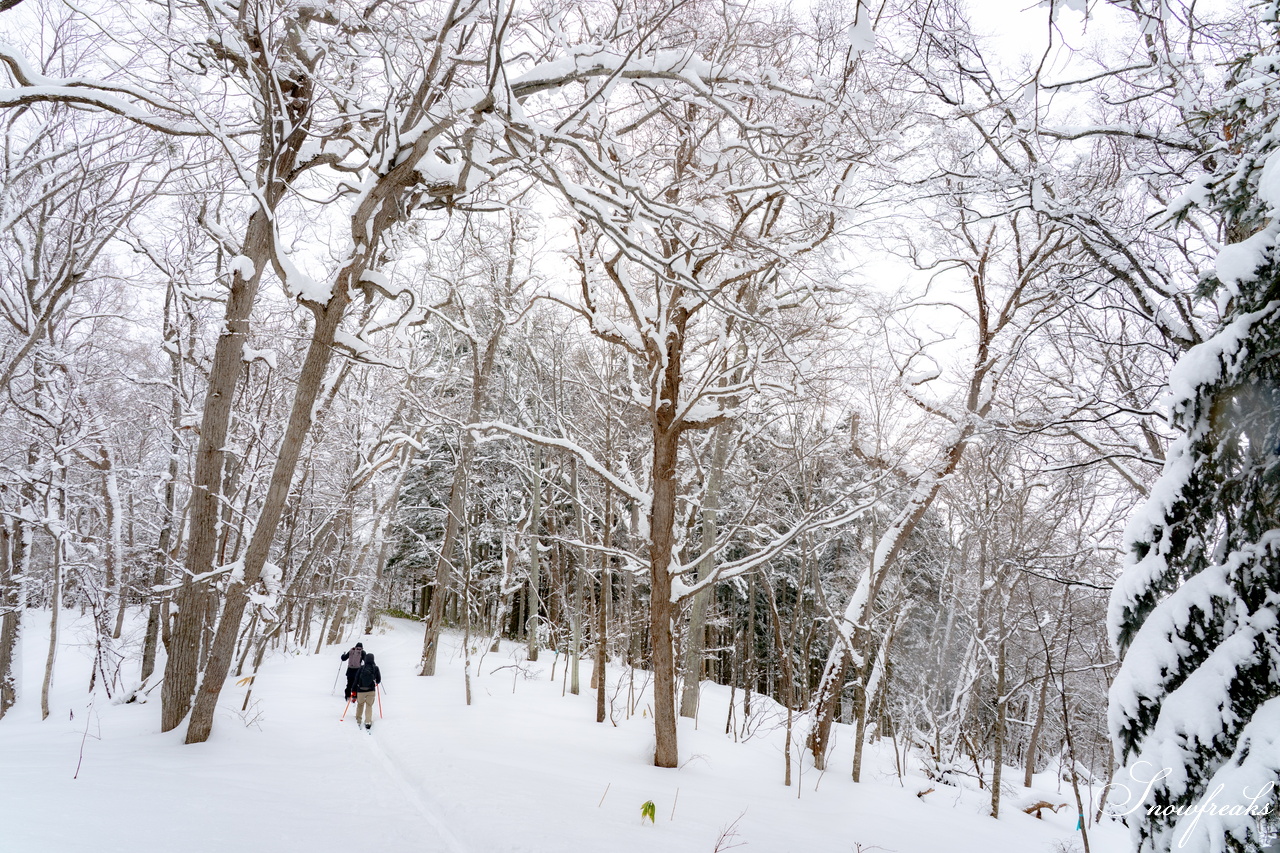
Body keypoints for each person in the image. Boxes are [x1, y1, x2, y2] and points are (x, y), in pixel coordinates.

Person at [353, 658, 381, 730]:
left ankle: (358, 720)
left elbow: (356, 679)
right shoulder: (375, 668)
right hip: (371, 691)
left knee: (360, 704)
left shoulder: (361, 668)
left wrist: (353, 690)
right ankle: (368, 722)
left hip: (360, 690)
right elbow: (378, 680)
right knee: (369, 705)